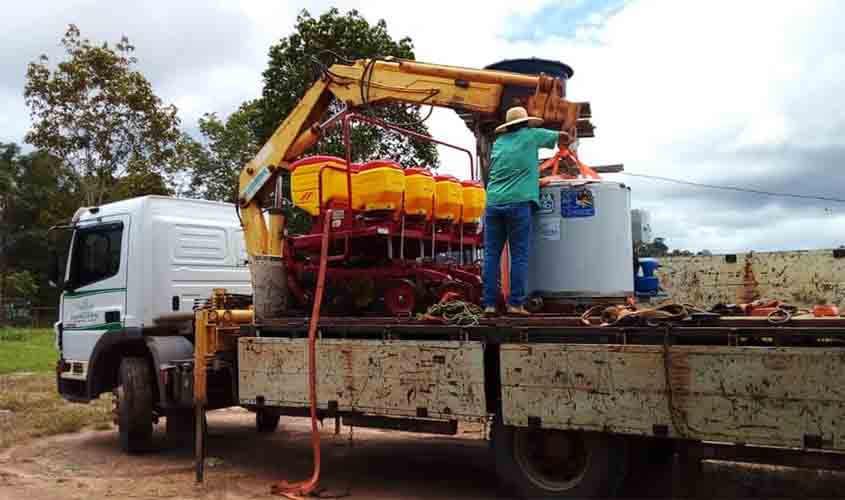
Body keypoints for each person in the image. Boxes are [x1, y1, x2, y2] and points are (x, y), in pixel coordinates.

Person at [483, 106, 569, 316]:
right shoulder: (532, 135)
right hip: (519, 202)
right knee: (519, 255)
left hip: (493, 203)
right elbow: (563, 137)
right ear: (526, 123)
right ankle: (515, 304)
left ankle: (490, 305)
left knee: (491, 255)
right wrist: (568, 137)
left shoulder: (498, 143)